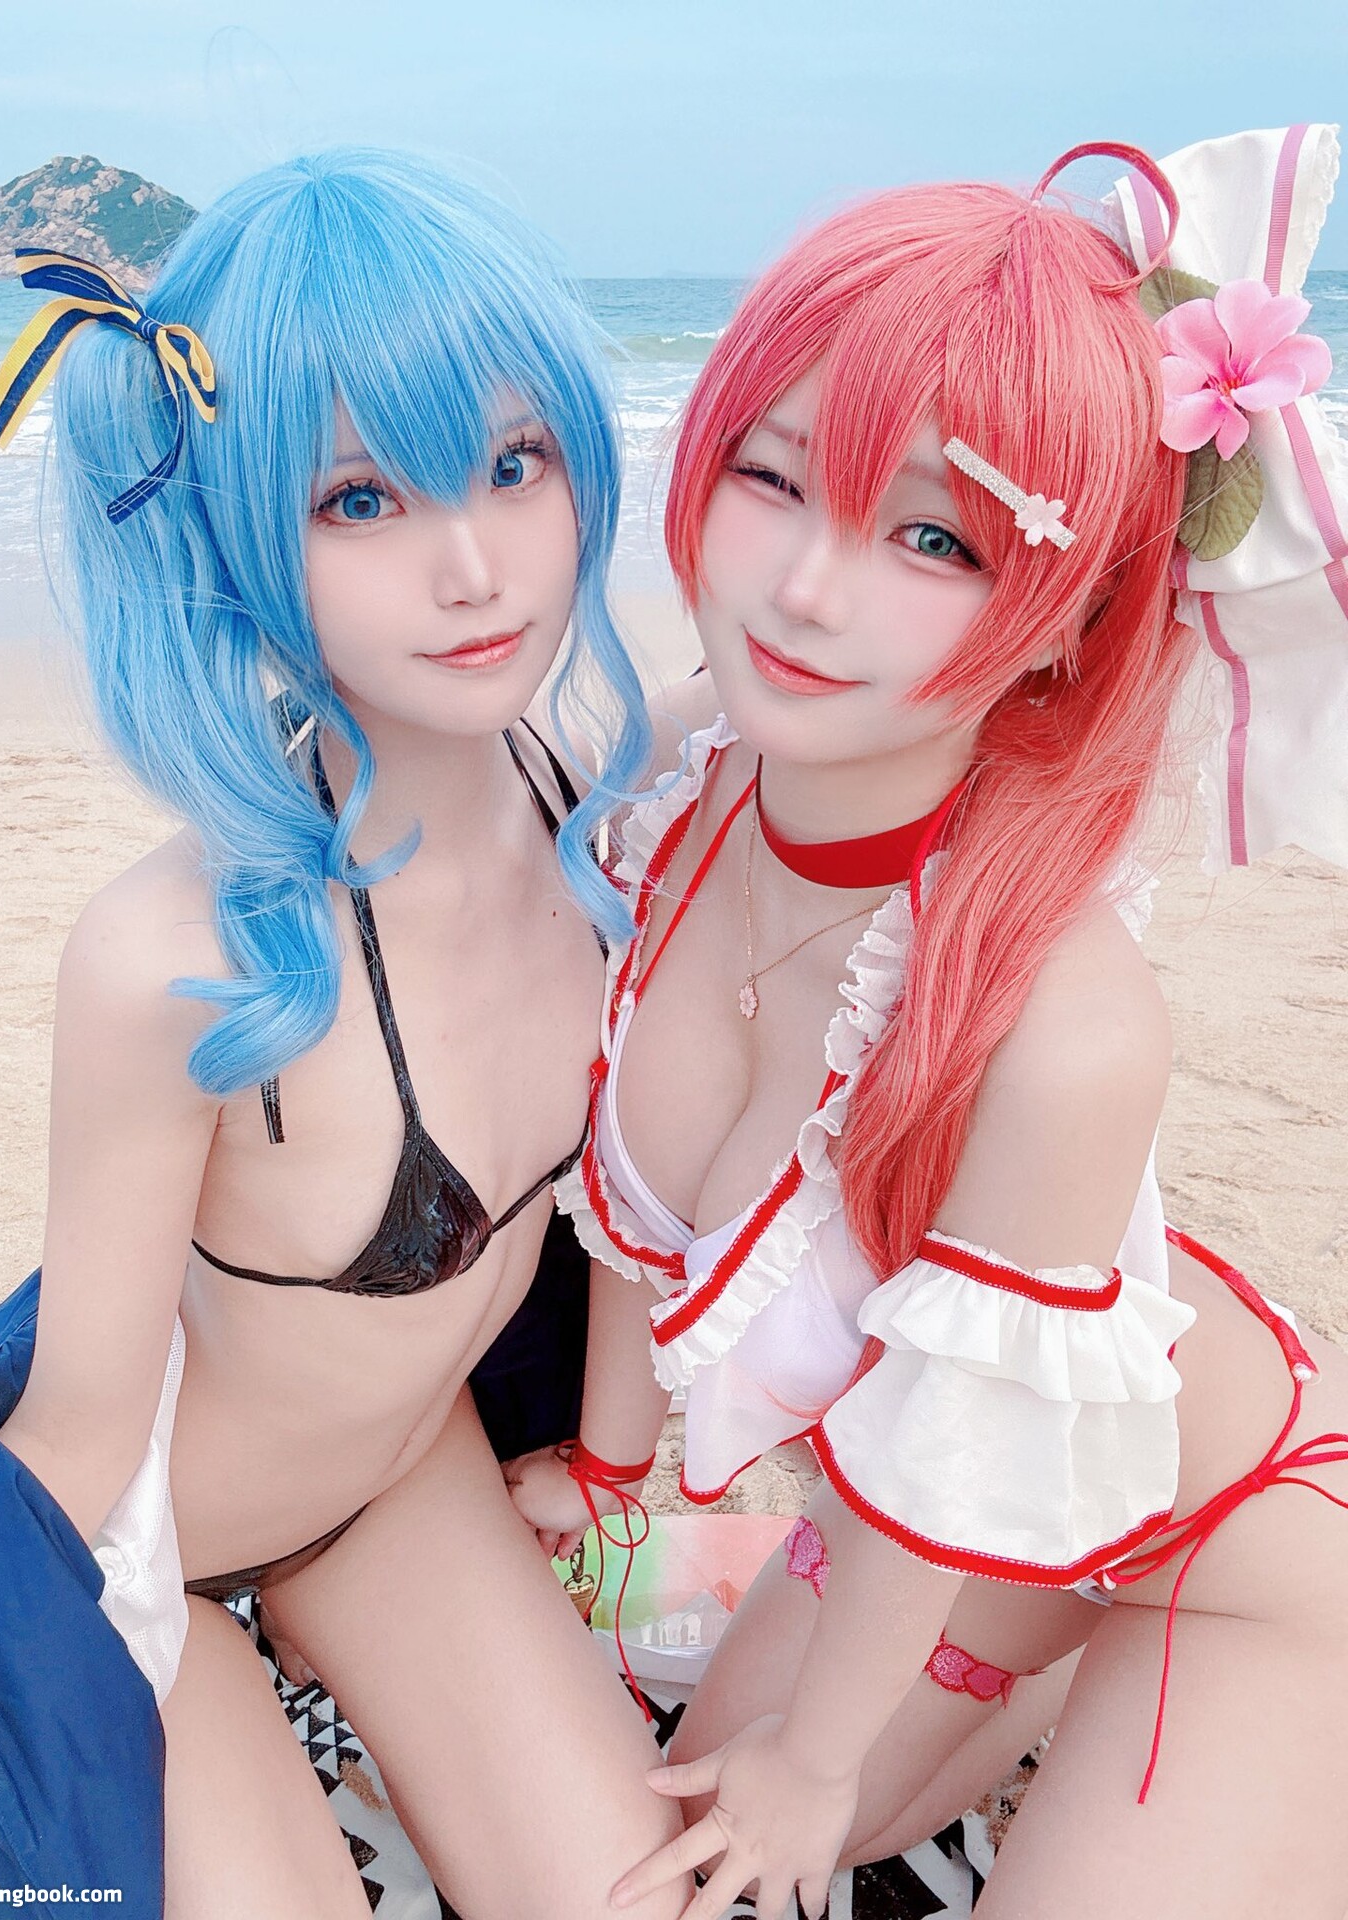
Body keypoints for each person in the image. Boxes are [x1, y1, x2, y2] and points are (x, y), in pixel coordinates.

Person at [509, 126, 1348, 1919]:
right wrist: (608, 1477)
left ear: (1065, 621)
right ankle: (1005, 1687)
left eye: (936, 537)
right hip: (942, 1532)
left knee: (765, 1815)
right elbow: (623, 1212)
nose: (808, 591)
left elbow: (957, 1451)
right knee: (682, 1795)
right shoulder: (694, 777)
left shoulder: (1063, 1021)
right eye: (776, 474)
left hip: (1241, 1541)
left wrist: (819, 1770)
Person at [0, 149, 692, 1920]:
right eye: (360, 499)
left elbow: (901, 662)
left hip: (398, 1489)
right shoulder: (175, 960)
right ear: (237, 530)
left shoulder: (614, 806)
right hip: (140, 1565)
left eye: (514, 462)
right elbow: (75, 1458)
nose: (474, 565)